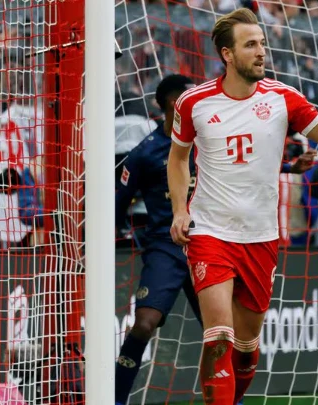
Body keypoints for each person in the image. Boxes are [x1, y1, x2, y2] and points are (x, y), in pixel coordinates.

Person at [166, 8, 318, 404]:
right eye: (250, 44)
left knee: (246, 348)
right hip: (210, 231)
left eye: (262, 44)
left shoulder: (284, 98)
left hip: (261, 236)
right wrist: (180, 211)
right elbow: (178, 158)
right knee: (218, 337)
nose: (261, 52)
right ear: (227, 53)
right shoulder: (194, 102)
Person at [114, 74, 201, 405]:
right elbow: (118, 202)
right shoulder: (144, 152)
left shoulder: (207, 143)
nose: (187, 106)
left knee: (220, 331)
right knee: (144, 324)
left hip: (206, 245)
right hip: (165, 248)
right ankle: (117, 397)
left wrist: (292, 167)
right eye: (180, 100)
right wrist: (129, 237)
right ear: (164, 105)